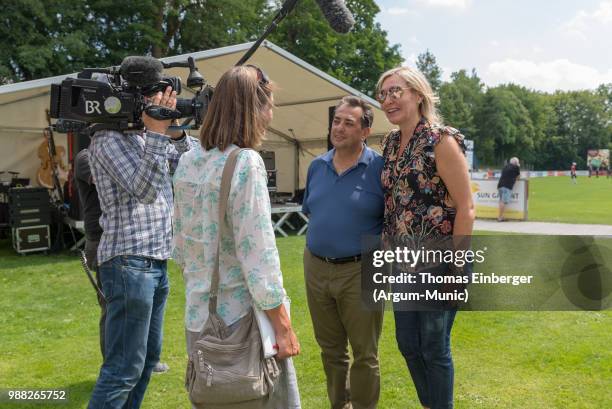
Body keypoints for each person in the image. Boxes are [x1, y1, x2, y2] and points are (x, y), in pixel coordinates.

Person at [173, 65, 301, 408]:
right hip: (242, 325)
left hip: (199, 318)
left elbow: (181, 250)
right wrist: (284, 326)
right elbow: (259, 259)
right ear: (252, 108)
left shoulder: (187, 162)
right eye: (269, 104)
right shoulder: (246, 162)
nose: (271, 113)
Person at [87, 86, 198, 409]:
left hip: (155, 261)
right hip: (128, 262)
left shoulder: (145, 138)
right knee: (123, 368)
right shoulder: (108, 140)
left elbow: (189, 167)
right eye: (157, 100)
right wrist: (157, 133)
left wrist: (174, 131)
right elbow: (145, 190)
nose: (162, 105)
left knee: (147, 361)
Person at [376, 66, 474, 409]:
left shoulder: (441, 140)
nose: (388, 99)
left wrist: (456, 269)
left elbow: (467, 207)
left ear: (418, 94)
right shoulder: (388, 143)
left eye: (395, 91)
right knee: (408, 344)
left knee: (434, 347)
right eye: (383, 94)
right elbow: (392, 205)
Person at [302, 95, 384, 409]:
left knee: (365, 353)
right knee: (331, 351)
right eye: (336, 120)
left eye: (349, 123)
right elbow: (313, 211)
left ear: (365, 131)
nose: (339, 128)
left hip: (363, 270)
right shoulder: (316, 167)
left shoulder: (379, 168)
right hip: (317, 268)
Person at [497, 157, 520, 222]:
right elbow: (518, 177)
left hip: (500, 185)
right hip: (507, 186)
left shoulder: (505, 166)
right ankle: (500, 217)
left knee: (501, 201)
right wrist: (518, 167)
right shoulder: (516, 167)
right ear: (515, 163)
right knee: (503, 202)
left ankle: (501, 216)